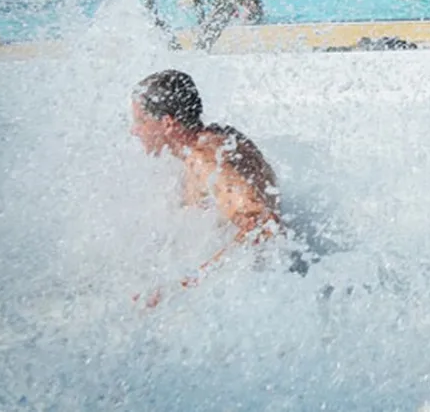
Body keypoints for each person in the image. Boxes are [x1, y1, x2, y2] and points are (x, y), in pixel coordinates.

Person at [130, 71, 310, 306]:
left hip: (259, 296)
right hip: (276, 282)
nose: (134, 131)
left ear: (167, 123)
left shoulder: (205, 160)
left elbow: (264, 224)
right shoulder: (218, 138)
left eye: (141, 121)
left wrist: (185, 287)